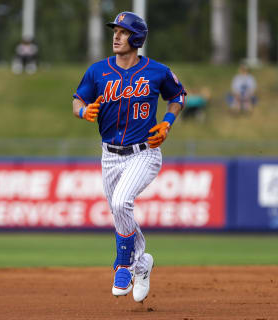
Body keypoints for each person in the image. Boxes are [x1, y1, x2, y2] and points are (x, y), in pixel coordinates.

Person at [72, 12, 186, 303]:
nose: (116, 36)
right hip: (109, 155)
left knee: (122, 202)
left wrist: (168, 123)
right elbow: (77, 100)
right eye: (115, 31)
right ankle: (141, 264)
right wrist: (84, 111)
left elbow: (178, 96)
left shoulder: (156, 71)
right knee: (119, 213)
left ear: (136, 38)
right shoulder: (98, 71)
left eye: (123, 32)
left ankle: (122, 266)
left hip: (144, 152)